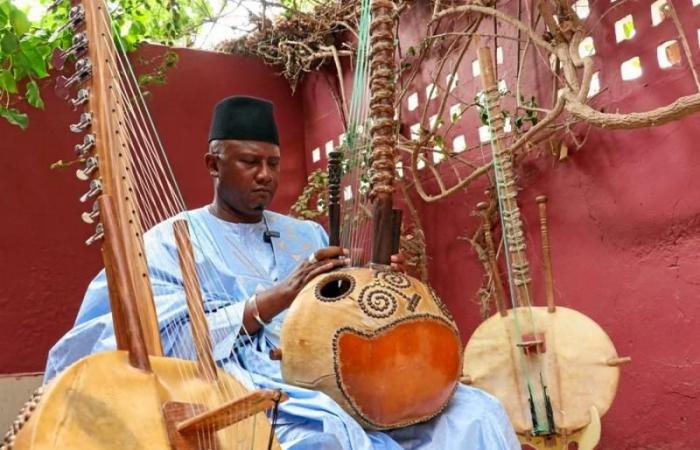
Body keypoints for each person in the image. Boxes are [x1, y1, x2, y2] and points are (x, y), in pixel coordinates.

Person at [45, 96, 519, 449]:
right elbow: (149, 341)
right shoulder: (167, 241)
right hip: (239, 383)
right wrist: (272, 299)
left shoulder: (304, 234)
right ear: (214, 163)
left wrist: (384, 282)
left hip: (342, 370)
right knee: (328, 434)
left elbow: (346, 307)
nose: (266, 175)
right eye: (250, 162)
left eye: (273, 163)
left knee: (476, 411)